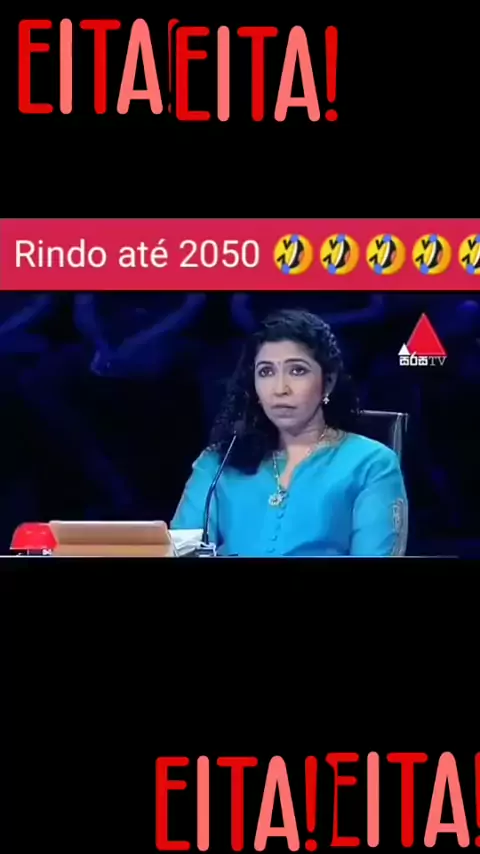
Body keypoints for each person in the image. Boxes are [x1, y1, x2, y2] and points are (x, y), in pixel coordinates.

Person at [171, 309, 408, 557]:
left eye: (297, 371)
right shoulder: (218, 462)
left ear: (327, 382)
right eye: (266, 372)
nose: (280, 389)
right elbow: (180, 549)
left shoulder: (371, 463)